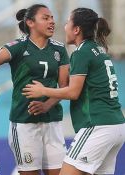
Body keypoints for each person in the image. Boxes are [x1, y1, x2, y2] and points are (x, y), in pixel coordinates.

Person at [23, 7, 125, 175]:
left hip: (97, 125)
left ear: (76, 29)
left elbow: (73, 92)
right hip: (116, 125)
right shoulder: (98, 50)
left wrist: (43, 90)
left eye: (68, 22)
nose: (64, 26)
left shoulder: (82, 52)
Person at [0, 4, 69, 175]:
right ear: (31, 23)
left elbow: (64, 87)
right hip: (24, 123)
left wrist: (47, 105)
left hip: (52, 121)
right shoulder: (18, 46)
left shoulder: (59, 49)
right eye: (45, 18)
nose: (52, 22)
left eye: (52, 18)